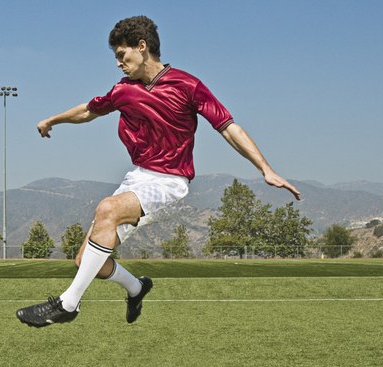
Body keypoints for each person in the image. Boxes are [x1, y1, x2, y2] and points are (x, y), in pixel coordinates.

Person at [16, 15, 300, 328]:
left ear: (142, 46)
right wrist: (52, 120)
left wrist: (265, 169)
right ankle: (137, 288)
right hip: (137, 177)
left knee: (107, 208)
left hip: (170, 182)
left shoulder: (188, 85)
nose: (118, 63)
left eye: (122, 55)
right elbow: (88, 110)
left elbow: (228, 127)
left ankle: (68, 304)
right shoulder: (124, 90)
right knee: (87, 261)